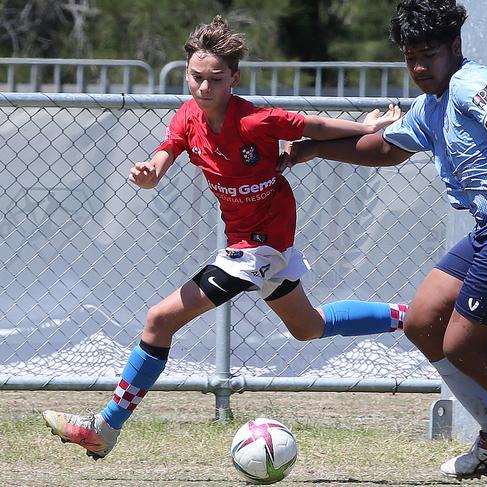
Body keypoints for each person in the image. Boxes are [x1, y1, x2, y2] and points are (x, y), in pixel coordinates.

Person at [42, 15, 407, 460]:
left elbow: (312, 125)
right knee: (307, 327)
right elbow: (164, 154)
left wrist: (366, 127)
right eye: (197, 77)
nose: (204, 87)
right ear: (187, 74)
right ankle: (410, 315)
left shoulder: (255, 120)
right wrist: (148, 175)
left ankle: (105, 427)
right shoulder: (188, 116)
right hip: (248, 243)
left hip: (261, 244)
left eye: (216, 78)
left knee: (159, 320)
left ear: (234, 78)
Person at [277, 1, 487, 486]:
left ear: (455, 46)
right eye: (410, 57)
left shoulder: (472, 82)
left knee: (465, 346)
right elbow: (388, 148)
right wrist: (312, 150)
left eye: (427, 54)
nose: (417, 67)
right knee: (423, 319)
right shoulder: (433, 105)